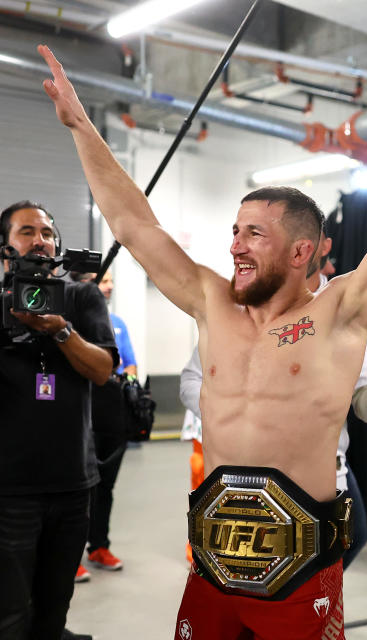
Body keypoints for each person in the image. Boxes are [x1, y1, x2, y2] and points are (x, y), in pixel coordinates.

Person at [39, 42, 367, 638]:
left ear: (302, 252)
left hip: (302, 569)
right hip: (215, 564)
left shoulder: (341, 312)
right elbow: (133, 223)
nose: (235, 245)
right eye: (234, 231)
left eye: (254, 233)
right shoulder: (211, 301)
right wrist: (78, 124)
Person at [178, 248, 367, 570]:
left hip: (325, 470)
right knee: (252, 572)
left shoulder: (346, 316)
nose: (239, 245)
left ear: (313, 249)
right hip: (248, 473)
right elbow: (190, 380)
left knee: (336, 551)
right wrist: (236, 411)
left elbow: (365, 408)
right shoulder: (240, 311)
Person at [0, 201, 116, 639]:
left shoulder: (82, 297)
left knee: (54, 612)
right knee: (9, 615)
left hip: (72, 483)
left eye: (47, 233)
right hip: (10, 488)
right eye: (27, 231)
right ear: (5, 248)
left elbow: (102, 370)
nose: (40, 240)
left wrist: (60, 330)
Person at [68, 269, 135, 581]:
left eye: (110, 281)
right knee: (77, 489)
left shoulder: (116, 323)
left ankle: (99, 547)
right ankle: (69, 555)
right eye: (102, 281)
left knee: (105, 486)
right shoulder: (64, 322)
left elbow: (130, 362)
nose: (108, 287)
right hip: (77, 410)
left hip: (111, 410)